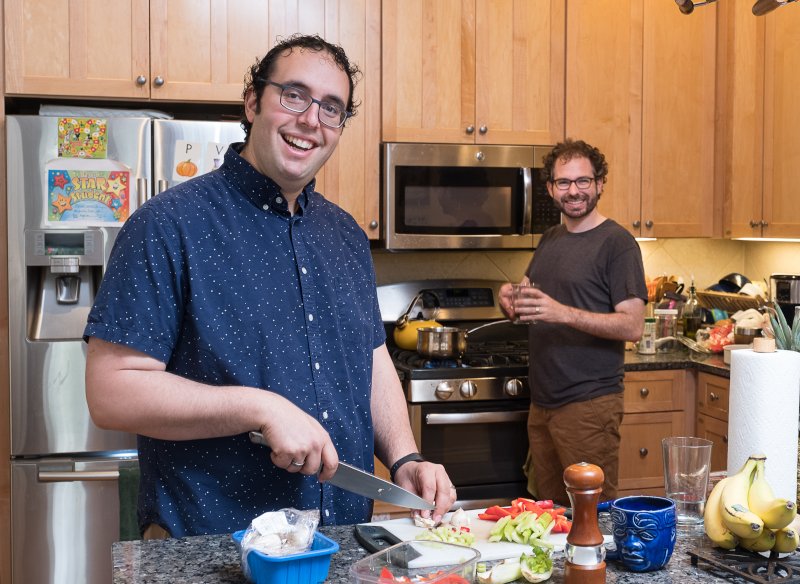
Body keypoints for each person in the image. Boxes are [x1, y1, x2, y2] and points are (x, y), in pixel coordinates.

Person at [83, 34, 456, 538]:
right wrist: (259, 408)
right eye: (294, 95)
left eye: (331, 108)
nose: (311, 120)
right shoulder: (167, 225)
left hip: (338, 541)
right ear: (253, 102)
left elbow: (370, 358)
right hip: (212, 545)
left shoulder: (346, 235)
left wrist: (405, 457)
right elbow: (111, 392)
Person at [499, 139, 647, 505]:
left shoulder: (617, 244)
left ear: (600, 184)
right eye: (564, 182)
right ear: (551, 188)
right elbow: (530, 303)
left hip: (589, 404)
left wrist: (562, 312)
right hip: (543, 403)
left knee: (591, 512)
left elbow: (633, 326)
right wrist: (510, 300)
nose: (574, 191)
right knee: (550, 513)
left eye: (583, 180)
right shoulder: (552, 238)